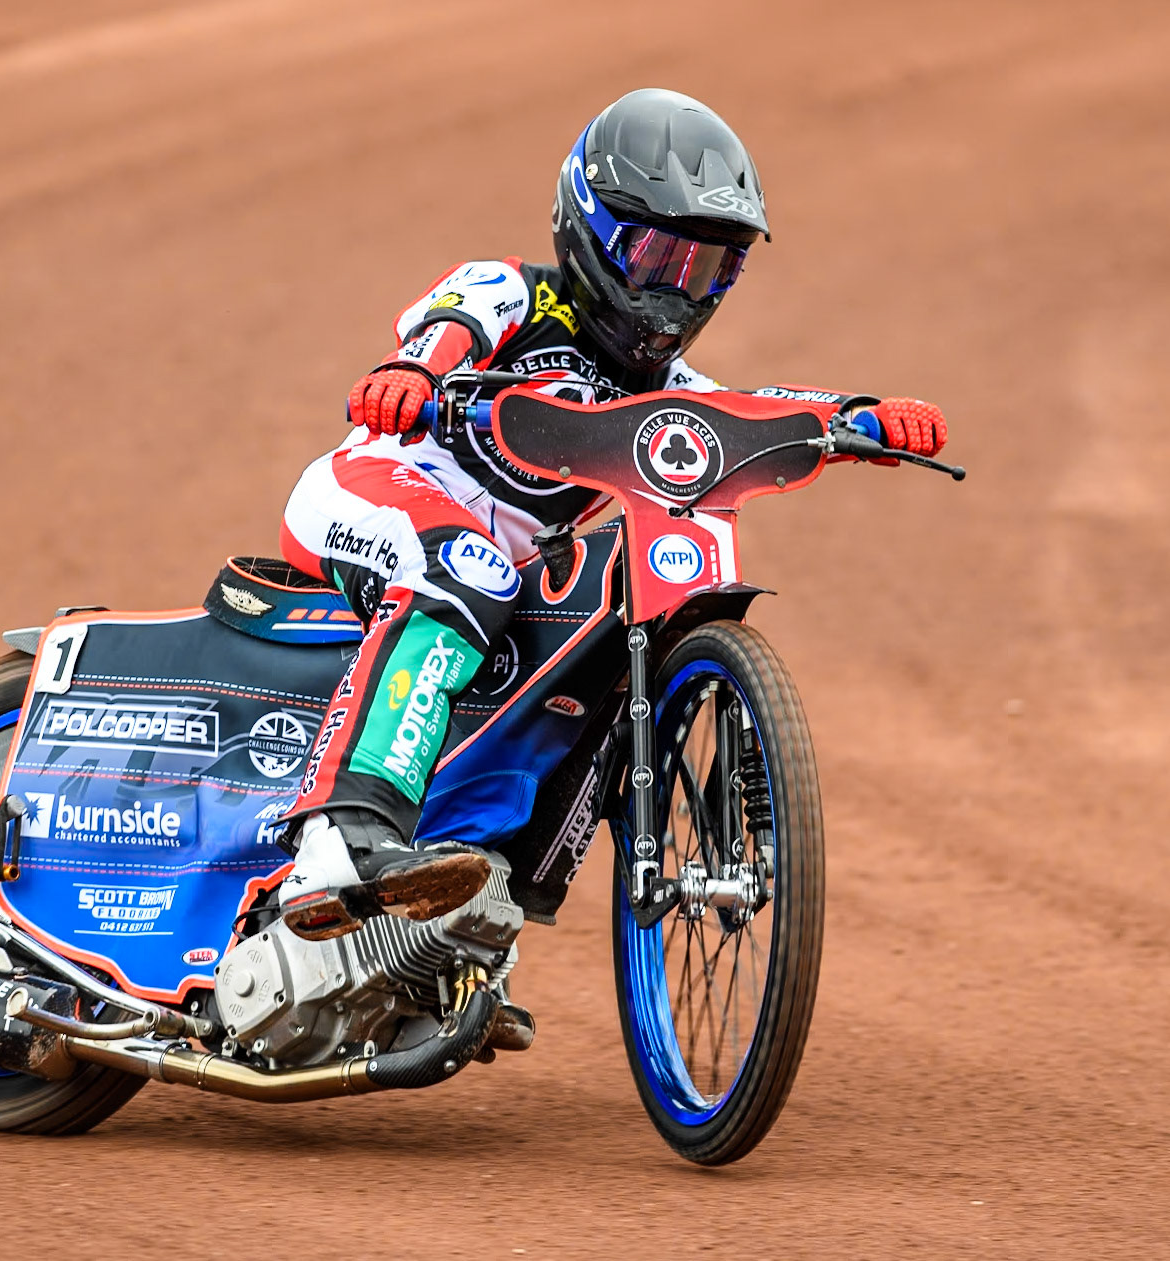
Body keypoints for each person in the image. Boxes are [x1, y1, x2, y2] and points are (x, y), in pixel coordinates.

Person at [273, 87, 948, 941]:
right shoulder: (513, 290)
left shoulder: (665, 388)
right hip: (374, 486)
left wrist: (860, 417)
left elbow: (749, 406)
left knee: (571, 620)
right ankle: (339, 839)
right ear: (588, 225)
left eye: (705, 269)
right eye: (657, 256)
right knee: (470, 569)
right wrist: (413, 374)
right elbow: (452, 324)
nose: (675, 293)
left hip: (494, 571)